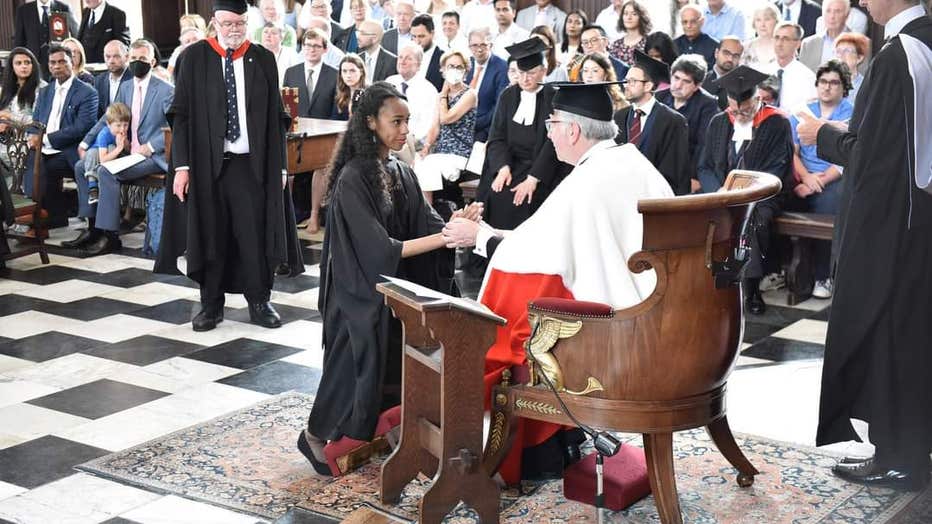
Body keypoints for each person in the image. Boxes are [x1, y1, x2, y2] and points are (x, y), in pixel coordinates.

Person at [443, 81, 673, 484]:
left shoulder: (586, 182)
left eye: (551, 124)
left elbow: (530, 255)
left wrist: (477, 237)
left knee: (515, 325)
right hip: (655, 319)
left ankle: (532, 446)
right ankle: (559, 441)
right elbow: (550, 243)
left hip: (615, 336)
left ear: (572, 131)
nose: (547, 134)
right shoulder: (633, 162)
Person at [795, 0, 932, 490]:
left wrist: (821, 134)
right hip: (918, 219)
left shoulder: (899, 55)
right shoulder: (924, 40)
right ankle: (907, 449)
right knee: (910, 336)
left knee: (891, 336)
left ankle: (903, 457)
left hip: (893, 223)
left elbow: (874, 156)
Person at [298, 82, 462, 476]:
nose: (405, 129)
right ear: (370, 123)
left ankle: (385, 428)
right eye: (396, 121)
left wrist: (455, 227)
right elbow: (379, 249)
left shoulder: (401, 170)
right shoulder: (353, 178)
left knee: (396, 362)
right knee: (350, 370)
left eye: (408, 121)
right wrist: (442, 236)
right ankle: (314, 435)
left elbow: (429, 225)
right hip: (355, 292)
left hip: (390, 288)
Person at [155, 0, 303, 331]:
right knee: (211, 234)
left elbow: (278, 118)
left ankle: (259, 301)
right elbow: (182, 116)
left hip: (251, 166)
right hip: (207, 166)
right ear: (215, 23)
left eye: (240, 23)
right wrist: (181, 167)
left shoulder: (263, 58)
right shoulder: (194, 58)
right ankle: (211, 305)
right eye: (228, 24)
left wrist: (279, 168)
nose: (234, 30)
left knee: (253, 234)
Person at [696, 65, 794, 314]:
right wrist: (718, 190)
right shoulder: (719, 122)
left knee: (752, 219)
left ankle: (750, 289)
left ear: (758, 98)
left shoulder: (776, 123)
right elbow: (705, 166)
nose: (740, 114)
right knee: (699, 214)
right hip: (722, 193)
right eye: (735, 109)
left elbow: (778, 166)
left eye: (746, 109)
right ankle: (712, 284)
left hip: (763, 194)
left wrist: (744, 193)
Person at [68, 39, 174, 256]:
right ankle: (93, 228)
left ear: (152, 61)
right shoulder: (126, 87)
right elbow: (110, 116)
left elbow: (178, 128)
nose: (137, 62)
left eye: (142, 59)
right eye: (133, 58)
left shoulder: (165, 90)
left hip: (154, 156)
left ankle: (110, 236)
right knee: (81, 166)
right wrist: (86, 141)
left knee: (105, 171)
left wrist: (151, 146)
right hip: (127, 151)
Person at [478, 37, 570, 231]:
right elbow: (496, 137)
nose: (525, 79)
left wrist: (533, 178)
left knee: (527, 199)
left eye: (531, 73)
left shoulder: (555, 97)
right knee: (496, 194)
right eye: (520, 73)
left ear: (544, 71)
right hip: (511, 165)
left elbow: (553, 144)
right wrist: (502, 167)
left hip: (542, 168)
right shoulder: (507, 95)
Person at [787, 59, 853, 299]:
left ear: (843, 87)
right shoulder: (802, 111)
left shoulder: (851, 114)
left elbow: (846, 158)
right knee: (780, 200)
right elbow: (792, 152)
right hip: (804, 176)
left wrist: (820, 181)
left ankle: (824, 275)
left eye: (834, 83)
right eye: (823, 82)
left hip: (834, 178)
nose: (827, 87)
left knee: (828, 205)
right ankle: (781, 272)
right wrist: (805, 178)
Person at [27, 44, 98, 229]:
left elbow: (82, 127)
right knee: (27, 158)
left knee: (41, 165)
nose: (57, 66)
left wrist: (44, 139)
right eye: (52, 63)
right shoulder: (45, 91)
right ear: (48, 65)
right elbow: (35, 122)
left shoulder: (86, 92)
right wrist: (32, 138)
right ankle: (43, 215)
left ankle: (34, 219)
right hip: (44, 147)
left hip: (71, 149)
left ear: (72, 62)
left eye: (62, 61)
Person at [614, 50, 690, 195]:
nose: (626, 85)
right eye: (626, 80)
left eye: (632, 81)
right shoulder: (619, 117)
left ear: (648, 86)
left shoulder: (673, 121)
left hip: (656, 200)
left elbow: (675, 172)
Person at [415, 50, 477, 200]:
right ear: (443, 70)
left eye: (459, 67)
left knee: (428, 166)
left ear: (465, 71)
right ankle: (425, 212)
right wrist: (427, 146)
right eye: (450, 66)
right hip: (441, 151)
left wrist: (443, 94)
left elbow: (447, 118)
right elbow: (435, 126)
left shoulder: (470, 94)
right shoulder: (440, 96)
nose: (454, 71)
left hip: (460, 151)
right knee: (417, 163)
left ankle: (428, 214)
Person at [656, 53, 718, 193]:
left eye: (686, 81)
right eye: (676, 78)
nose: (678, 85)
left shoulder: (708, 105)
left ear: (697, 86)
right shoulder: (659, 97)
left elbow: (703, 145)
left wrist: (695, 177)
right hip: (658, 167)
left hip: (687, 171)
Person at [385, 43, 439, 166]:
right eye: (400, 57)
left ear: (419, 65)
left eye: (408, 58)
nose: (402, 61)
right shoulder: (389, 82)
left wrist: (403, 138)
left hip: (414, 144)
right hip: (388, 139)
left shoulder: (428, 90)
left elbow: (426, 126)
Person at [0, 48, 45, 173]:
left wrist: (9, 117)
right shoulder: (10, 88)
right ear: (11, 67)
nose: (23, 66)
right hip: (9, 138)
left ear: (33, 65)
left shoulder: (42, 88)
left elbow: (38, 121)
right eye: (18, 63)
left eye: (27, 62)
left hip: (29, 141)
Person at [80, 102, 131, 207]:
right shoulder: (104, 134)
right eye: (118, 125)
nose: (122, 129)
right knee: (92, 153)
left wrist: (124, 143)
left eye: (125, 125)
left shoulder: (125, 132)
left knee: (112, 148)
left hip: (113, 157)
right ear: (108, 124)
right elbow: (103, 159)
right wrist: (119, 148)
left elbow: (129, 150)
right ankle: (93, 188)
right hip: (98, 155)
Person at [13, 0, 79, 79]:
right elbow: (19, 40)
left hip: (58, 62)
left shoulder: (64, 8)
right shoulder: (24, 10)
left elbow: (76, 36)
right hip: (34, 63)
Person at [464, 26, 509, 141]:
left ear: (491, 45)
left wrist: (475, 124)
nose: (479, 50)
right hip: (462, 123)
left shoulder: (502, 67)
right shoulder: (465, 65)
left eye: (483, 45)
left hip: (487, 128)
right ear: (469, 47)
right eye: (474, 45)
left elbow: (499, 105)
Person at [284, 29, 340, 119]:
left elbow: (336, 110)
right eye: (308, 45)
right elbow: (287, 107)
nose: (312, 50)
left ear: (325, 49)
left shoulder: (335, 75)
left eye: (317, 46)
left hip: (326, 130)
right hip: (297, 129)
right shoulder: (291, 73)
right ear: (302, 47)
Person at [799, 0, 859, 73]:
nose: (832, 16)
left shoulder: (861, 44)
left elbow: (863, 80)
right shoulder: (808, 44)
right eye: (828, 11)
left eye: (837, 11)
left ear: (847, 15)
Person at [772, 21, 817, 112]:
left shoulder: (808, 77)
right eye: (777, 38)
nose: (779, 43)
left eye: (785, 39)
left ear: (797, 44)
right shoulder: (762, 72)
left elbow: (810, 112)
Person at [93, 40, 131, 118]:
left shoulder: (134, 79)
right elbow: (97, 114)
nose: (111, 61)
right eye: (108, 56)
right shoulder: (99, 81)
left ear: (127, 57)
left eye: (116, 56)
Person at [703, 35, 742, 109]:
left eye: (736, 56)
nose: (730, 59)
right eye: (726, 53)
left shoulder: (743, 85)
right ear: (716, 53)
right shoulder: (701, 80)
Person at [674, 4, 717, 70]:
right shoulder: (673, 45)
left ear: (702, 22)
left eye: (693, 22)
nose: (688, 26)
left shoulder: (714, 46)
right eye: (685, 22)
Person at [410, 14, 445, 90]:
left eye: (421, 36)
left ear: (432, 34)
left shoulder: (444, 59)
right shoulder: (407, 55)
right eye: (413, 36)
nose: (417, 41)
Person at [609, 0, 650, 65]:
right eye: (625, 14)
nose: (629, 17)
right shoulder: (615, 45)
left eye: (634, 14)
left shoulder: (649, 42)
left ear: (641, 17)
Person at [833, 32, 869, 104]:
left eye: (847, 51)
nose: (841, 55)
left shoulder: (864, 87)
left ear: (859, 58)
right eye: (838, 51)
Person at [742, 3, 779, 72]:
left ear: (776, 21)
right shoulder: (746, 47)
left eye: (767, 19)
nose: (762, 24)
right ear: (754, 23)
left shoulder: (784, 46)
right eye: (758, 20)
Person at [263, 22, 302, 87]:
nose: (268, 36)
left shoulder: (290, 54)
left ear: (282, 37)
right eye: (265, 32)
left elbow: (297, 79)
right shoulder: (256, 53)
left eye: (273, 33)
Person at [332, 53, 367, 119]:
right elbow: (334, 119)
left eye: (352, 71)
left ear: (361, 72)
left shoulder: (370, 93)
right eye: (344, 71)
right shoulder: (339, 94)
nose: (348, 75)